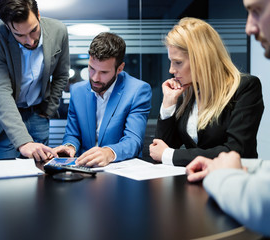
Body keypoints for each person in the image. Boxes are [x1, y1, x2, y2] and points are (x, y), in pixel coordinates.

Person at [185, 0, 270, 237]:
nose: (249, 28)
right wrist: (221, 164)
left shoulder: (246, 87)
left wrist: (223, 174)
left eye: (257, 11)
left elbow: (263, 205)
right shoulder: (187, 94)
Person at [149, 17, 264, 167]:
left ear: (201, 59)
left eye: (178, 62)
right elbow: (161, 148)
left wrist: (170, 154)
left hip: (231, 183)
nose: (171, 70)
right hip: (192, 181)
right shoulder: (189, 92)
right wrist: (168, 104)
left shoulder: (245, 87)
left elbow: (236, 150)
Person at [0, 0, 69, 160]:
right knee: (5, 179)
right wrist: (23, 142)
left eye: (33, 30)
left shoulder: (59, 31)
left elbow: (61, 75)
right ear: (7, 26)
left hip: (38, 114)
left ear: (38, 15)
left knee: (40, 177)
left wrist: (48, 110)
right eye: (20, 35)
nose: (30, 41)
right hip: (4, 121)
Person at [52, 32, 152, 167]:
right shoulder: (78, 91)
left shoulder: (138, 91)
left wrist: (109, 153)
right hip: (84, 168)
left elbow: (133, 140)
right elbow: (73, 134)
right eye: (91, 68)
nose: (95, 78)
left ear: (120, 69)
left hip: (121, 169)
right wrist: (70, 147)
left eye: (104, 72)